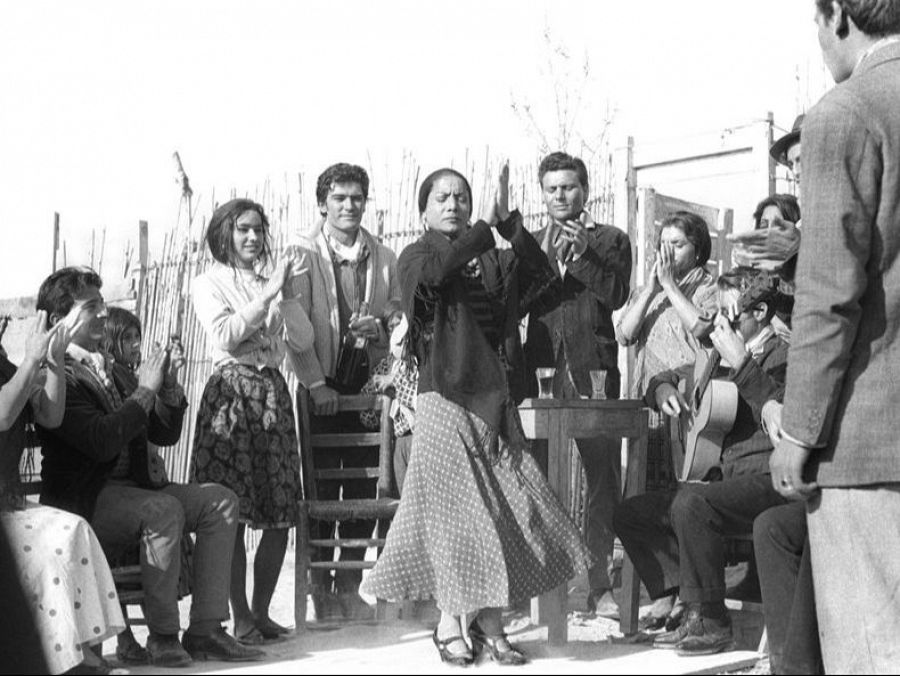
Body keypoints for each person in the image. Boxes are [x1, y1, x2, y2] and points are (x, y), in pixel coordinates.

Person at [361, 164, 591, 667]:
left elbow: (539, 277)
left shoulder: (490, 256)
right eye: (441, 197)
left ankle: (487, 623)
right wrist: (484, 230)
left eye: (461, 196)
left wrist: (509, 225)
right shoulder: (416, 256)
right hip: (443, 398)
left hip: (494, 401)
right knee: (461, 516)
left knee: (514, 510)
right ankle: (454, 623)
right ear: (423, 210)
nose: (453, 204)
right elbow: (439, 275)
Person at [35, 266, 264, 667]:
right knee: (163, 509)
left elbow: (163, 433)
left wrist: (168, 387)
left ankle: (206, 629)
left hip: (135, 490)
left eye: (104, 306)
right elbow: (102, 440)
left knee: (221, 501)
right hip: (88, 499)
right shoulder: (55, 375)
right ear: (59, 320)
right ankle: (162, 636)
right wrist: (145, 390)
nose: (105, 315)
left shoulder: (110, 366)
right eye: (92, 308)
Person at [771, 1, 900, 671]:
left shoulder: (844, 113)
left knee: (876, 655)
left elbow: (828, 295)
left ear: (838, 15)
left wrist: (798, 433)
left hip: (870, 442)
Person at [613, 268, 790, 656]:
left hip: (768, 480)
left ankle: (712, 622)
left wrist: (743, 362)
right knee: (631, 513)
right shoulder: (713, 357)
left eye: (729, 313)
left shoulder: (784, 356)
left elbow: (787, 417)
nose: (719, 323)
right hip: (720, 479)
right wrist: (659, 390)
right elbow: (665, 376)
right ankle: (687, 603)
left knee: (693, 503)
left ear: (758, 312)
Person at [190, 198, 310, 645]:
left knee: (279, 508)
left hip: (272, 393)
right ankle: (239, 615)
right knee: (233, 512)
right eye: (243, 229)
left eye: (259, 229)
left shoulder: (273, 280)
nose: (253, 238)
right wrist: (265, 297)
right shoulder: (208, 282)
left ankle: (261, 612)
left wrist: (287, 294)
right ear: (224, 233)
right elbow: (224, 334)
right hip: (232, 394)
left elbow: (302, 339)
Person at [285, 162, 401, 621]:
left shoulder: (384, 256)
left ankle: (350, 587)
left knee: (364, 484)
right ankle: (321, 590)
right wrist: (314, 383)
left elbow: (397, 315)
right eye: (339, 198)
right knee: (321, 487)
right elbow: (294, 327)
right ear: (322, 204)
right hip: (322, 387)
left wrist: (382, 327)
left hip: (369, 390)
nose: (349, 206)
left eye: (356, 198)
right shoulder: (302, 255)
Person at [522, 151, 631, 620]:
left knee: (603, 479)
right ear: (542, 195)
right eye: (552, 188)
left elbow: (616, 293)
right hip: (542, 373)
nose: (560, 195)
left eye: (569, 187)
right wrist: (547, 259)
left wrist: (582, 255)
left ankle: (599, 586)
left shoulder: (610, 240)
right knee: (538, 481)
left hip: (596, 374)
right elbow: (521, 301)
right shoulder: (529, 247)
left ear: (585, 190)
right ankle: (545, 589)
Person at [1, 306, 126, 675]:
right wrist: (32, 359)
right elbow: (4, 416)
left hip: (9, 503)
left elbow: (50, 416)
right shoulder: (15, 368)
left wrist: (54, 358)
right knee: (50, 544)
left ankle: (80, 649)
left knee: (74, 529)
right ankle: (64, 659)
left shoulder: (5, 366)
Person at [614, 210, 718, 628]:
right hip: (652, 408)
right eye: (665, 243)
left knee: (684, 496)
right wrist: (654, 288)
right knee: (646, 499)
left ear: (698, 250)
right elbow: (624, 332)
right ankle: (667, 587)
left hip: (693, 404)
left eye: (679, 244)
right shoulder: (650, 288)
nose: (669, 251)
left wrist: (673, 288)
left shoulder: (708, 288)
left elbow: (704, 329)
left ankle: (686, 594)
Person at [358, 300, 418, 495]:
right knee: (398, 502)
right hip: (396, 441)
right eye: (390, 327)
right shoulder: (387, 363)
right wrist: (381, 397)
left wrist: (395, 381)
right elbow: (365, 412)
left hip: (419, 436)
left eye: (399, 324)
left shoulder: (419, 357)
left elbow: (419, 394)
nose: (395, 330)